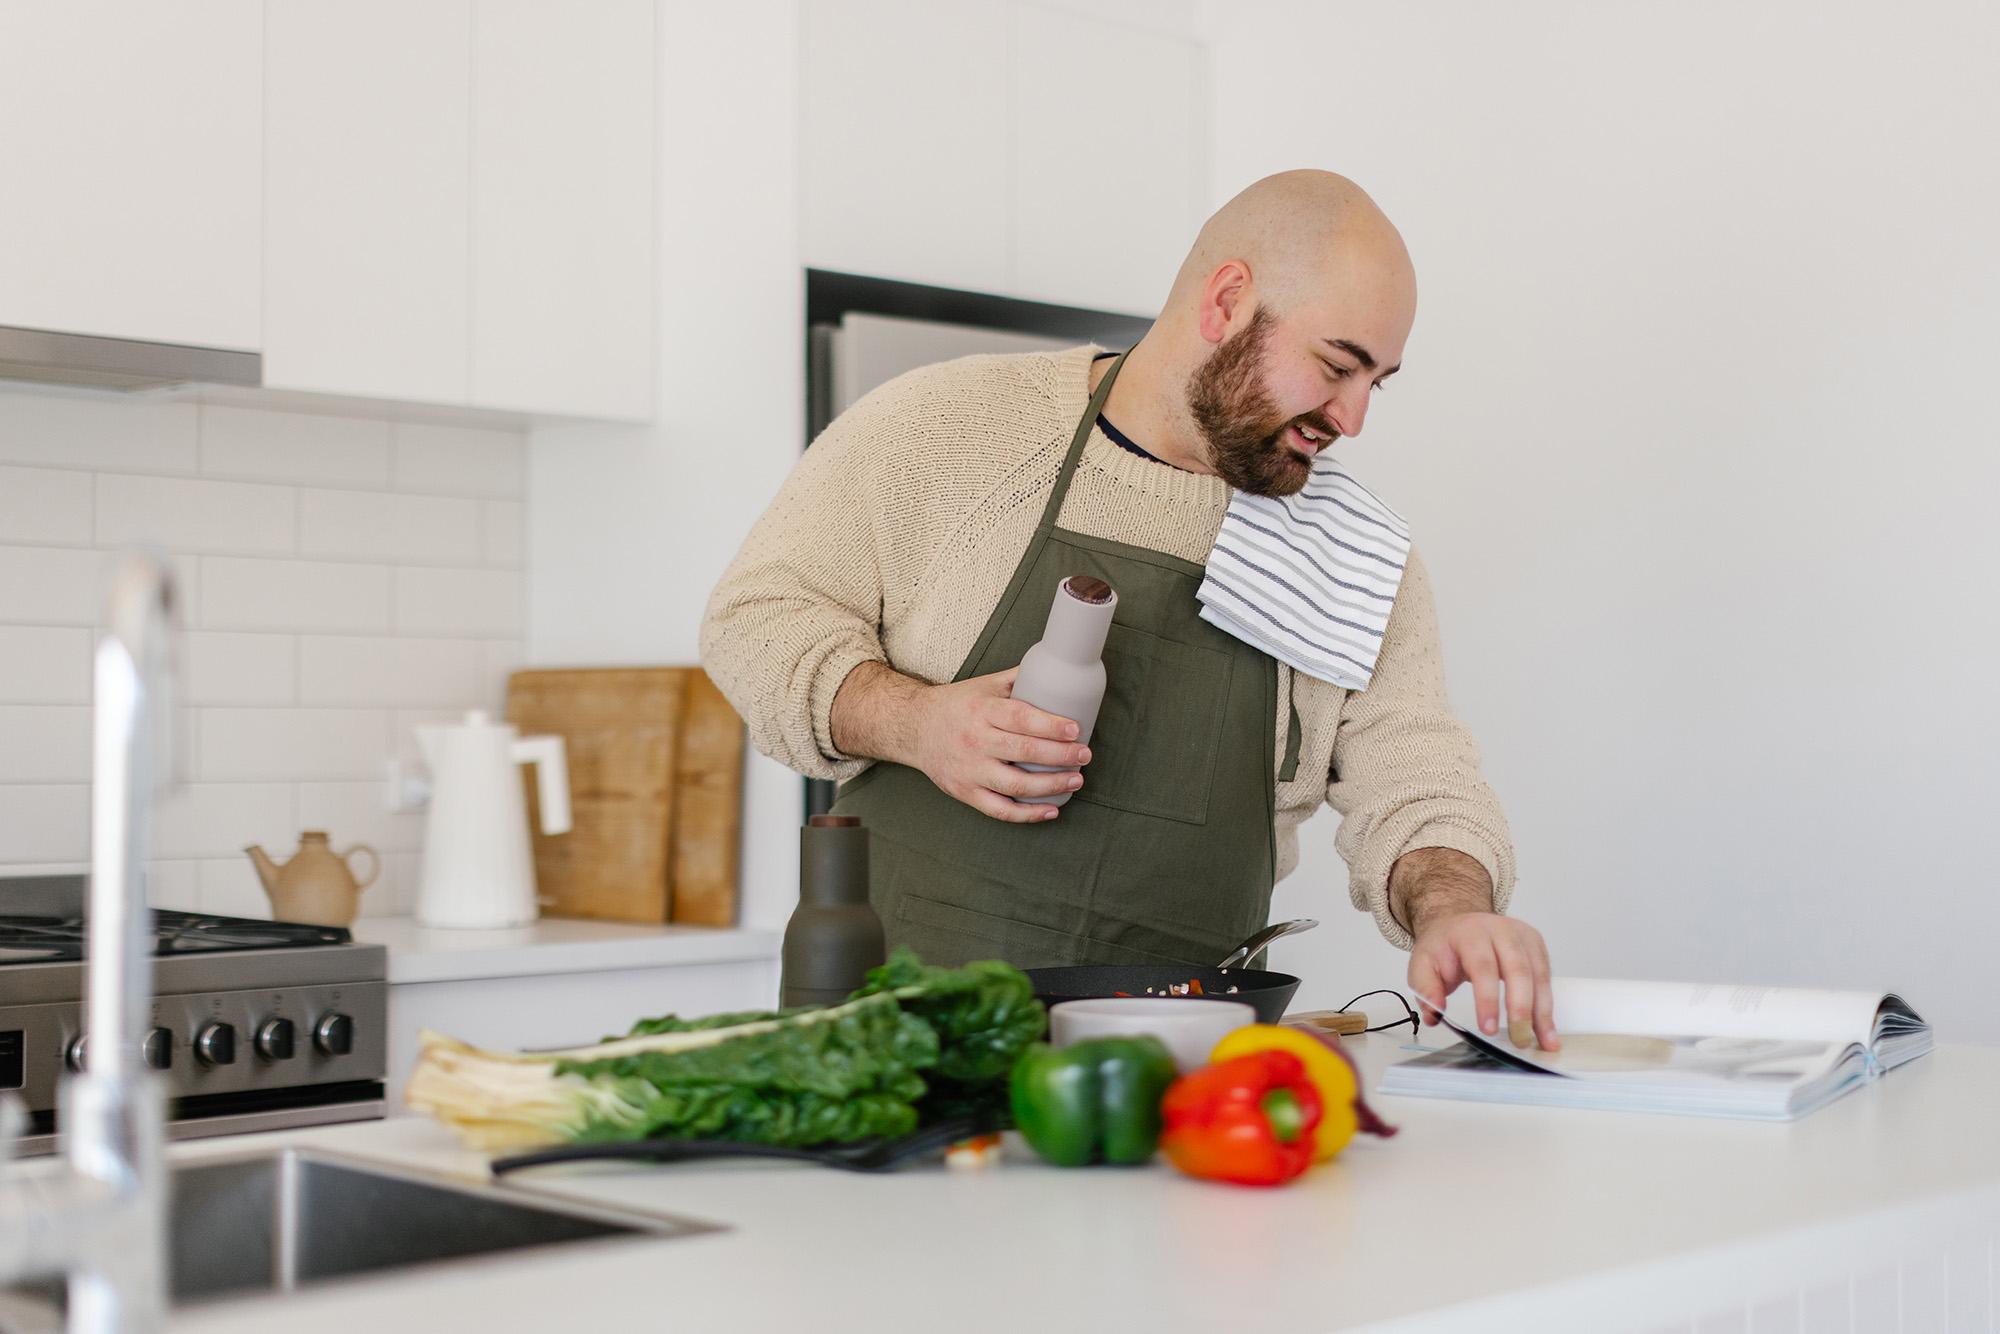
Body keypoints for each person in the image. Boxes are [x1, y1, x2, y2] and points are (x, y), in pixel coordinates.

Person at [702, 170, 1558, 1051]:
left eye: (1379, 381)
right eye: (1337, 366)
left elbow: (1417, 775)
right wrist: (915, 721)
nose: (1352, 416)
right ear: (1227, 301)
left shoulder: (1348, 549)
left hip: (1173, 1072)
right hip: (888, 1037)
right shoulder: (949, 427)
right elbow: (759, 617)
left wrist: (1455, 911)